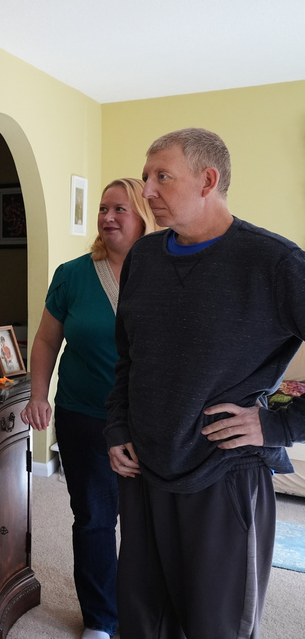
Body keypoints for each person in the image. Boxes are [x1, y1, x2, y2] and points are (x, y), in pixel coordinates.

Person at [104, 128, 305, 638]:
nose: (146, 190)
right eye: (146, 176)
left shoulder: (275, 262)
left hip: (224, 476)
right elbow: (127, 356)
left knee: (216, 628)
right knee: (144, 623)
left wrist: (277, 425)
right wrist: (117, 427)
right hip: (144, 473)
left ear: (208, 180)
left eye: (162, 177)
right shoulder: (144, 259)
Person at [21, 177, 158, 639]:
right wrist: (38, 395)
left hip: (152, 421)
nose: (108, 217)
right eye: (103, 208)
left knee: (149, 521)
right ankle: (101, 619)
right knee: (95, 518)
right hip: (85, 416)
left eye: (120, 209)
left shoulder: (167, 271)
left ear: (144, 216)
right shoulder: (73, 275)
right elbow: (44, 340)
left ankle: (146, 612)